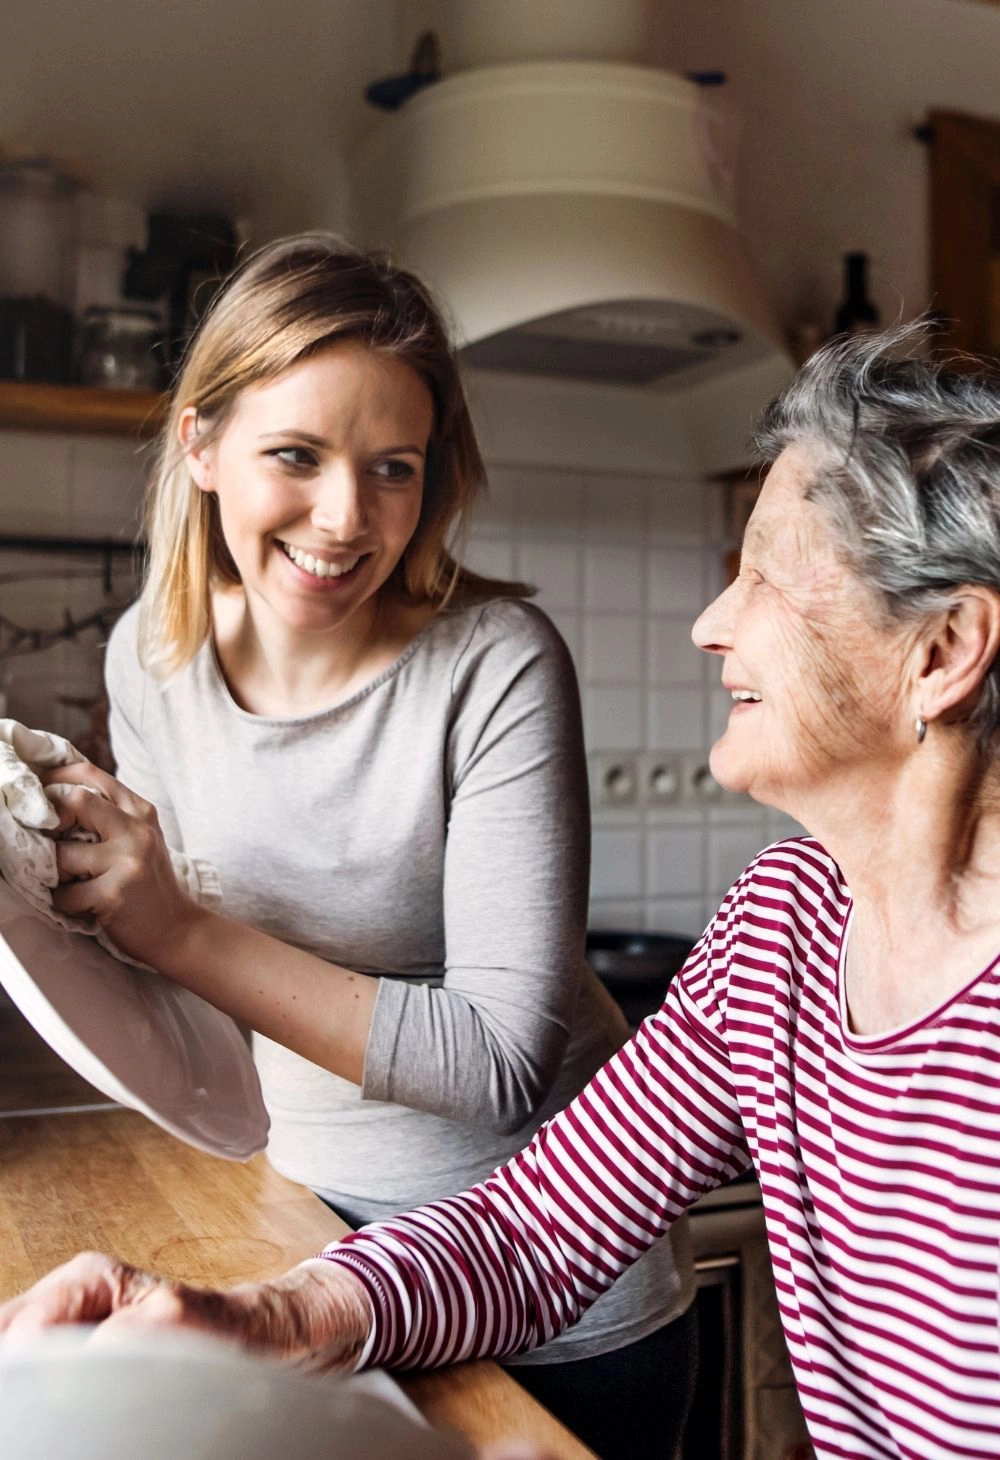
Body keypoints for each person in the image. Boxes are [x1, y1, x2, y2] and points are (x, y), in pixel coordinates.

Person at [7, 323, 1000, 1460]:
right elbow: (536, 1233)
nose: (709, 622)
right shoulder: (785, 920)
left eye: (763, 575)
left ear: (940, 649)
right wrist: (255, 1317)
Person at [1, 236, 695, 1457]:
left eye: (393, 468)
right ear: (201, 447)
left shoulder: (497, 666)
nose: (345, 516)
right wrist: (61, 888)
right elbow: (186, 997)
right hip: (309, 1241)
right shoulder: (147, 663)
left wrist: (174, 923)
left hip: (551, 1287)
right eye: (296, 455)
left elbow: (499, 1063)